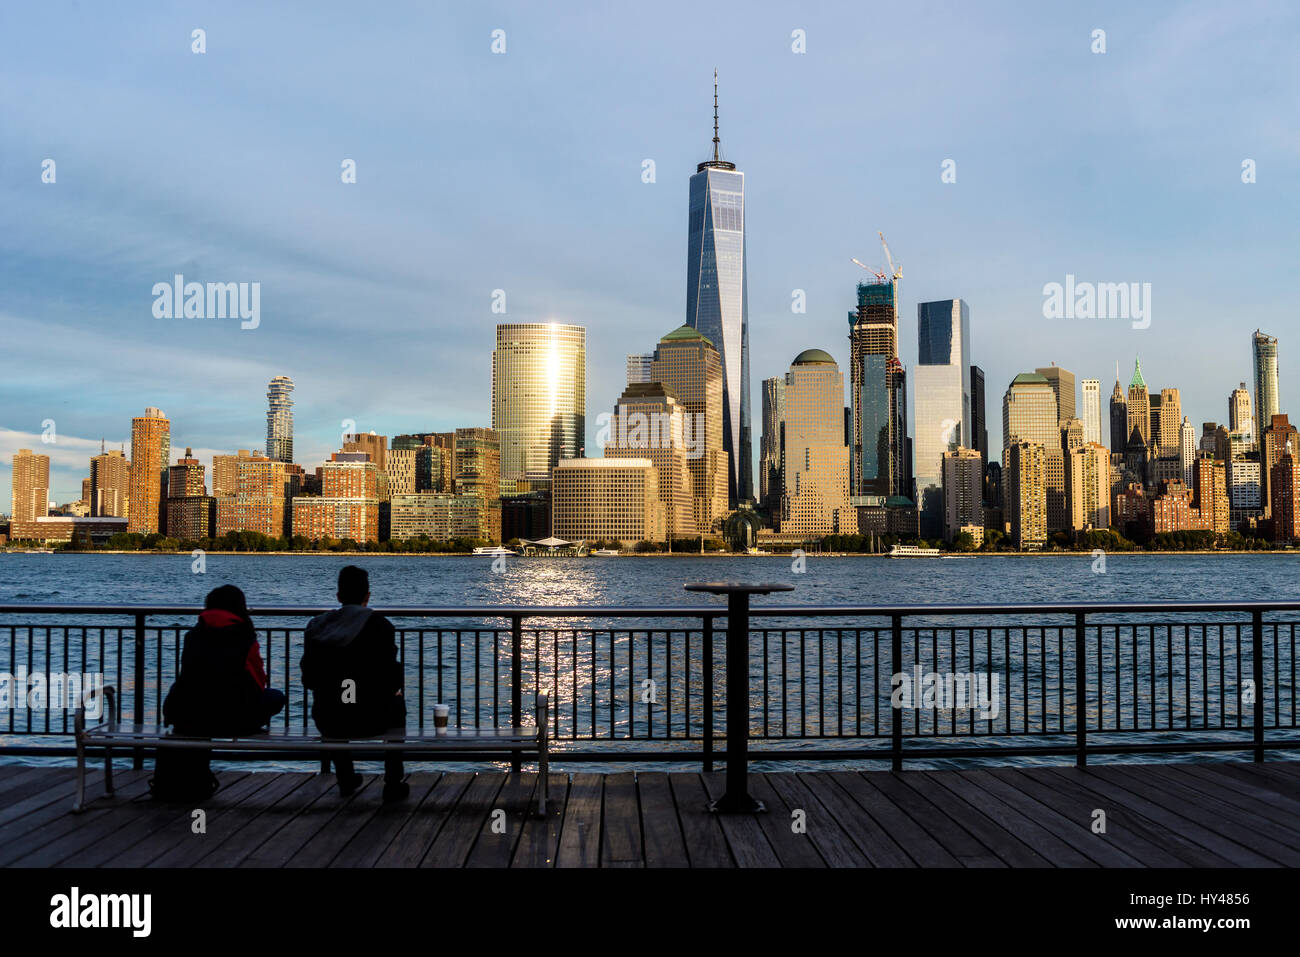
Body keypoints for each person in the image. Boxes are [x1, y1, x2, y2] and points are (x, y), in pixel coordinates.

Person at [154, 585, 285, 800]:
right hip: (233, 718)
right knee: (276, 697)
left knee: (204, 706)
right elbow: (258, 683)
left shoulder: (193, 636)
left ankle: (190, 779)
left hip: (190, 716)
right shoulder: (245, 637)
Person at [301, 565, 409, 801]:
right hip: (373, 717)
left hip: (330, 718)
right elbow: (392, 680)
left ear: (338, 596)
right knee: (397, 704)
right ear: (367, 596)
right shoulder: (382, 626)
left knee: (331, 704)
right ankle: (393, 782)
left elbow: (308, 678)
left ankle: (345, 777)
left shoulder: (317, 627)